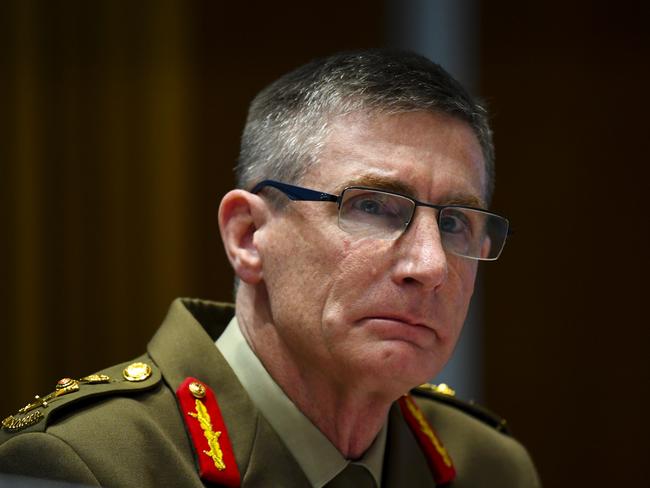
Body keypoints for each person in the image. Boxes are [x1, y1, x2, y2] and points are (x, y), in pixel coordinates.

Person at [0, 49, 541, 487]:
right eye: (373, 206)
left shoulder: (488, 468)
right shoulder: (82, 465)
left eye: (454, 224)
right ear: (248, 236)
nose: (429, 265)